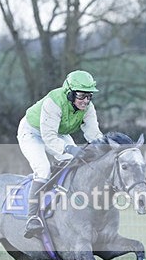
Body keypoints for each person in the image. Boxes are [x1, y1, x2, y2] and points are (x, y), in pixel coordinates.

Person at [17, 70, 104, 238]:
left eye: (89, 96)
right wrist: (70, 149)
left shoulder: (88, 108)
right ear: (70, 93)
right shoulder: (54, 102)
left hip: (58, 132)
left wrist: (104, 148)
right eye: (81, 95)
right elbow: (48, 137)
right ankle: (32, 217)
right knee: (43, 169)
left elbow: (94, 134)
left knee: (75, 163)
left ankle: (65, 205)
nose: (85, 100)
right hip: (32, 132)